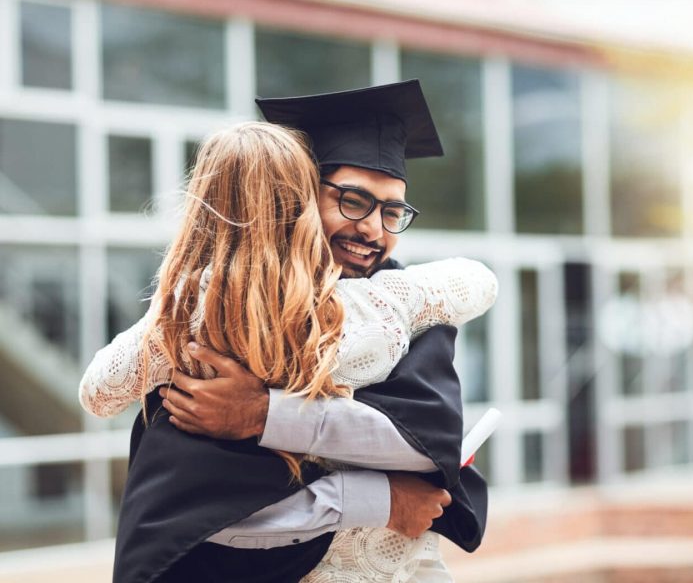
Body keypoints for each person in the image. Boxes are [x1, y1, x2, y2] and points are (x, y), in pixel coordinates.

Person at [82, 83, 494, 582]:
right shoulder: (219, 327)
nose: (373, 230)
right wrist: (376, 496)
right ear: (297, 198)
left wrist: (264, 415)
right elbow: (192, 513)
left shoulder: (403, 303)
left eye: (391, 212)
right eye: (353, 201)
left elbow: (427, 442)